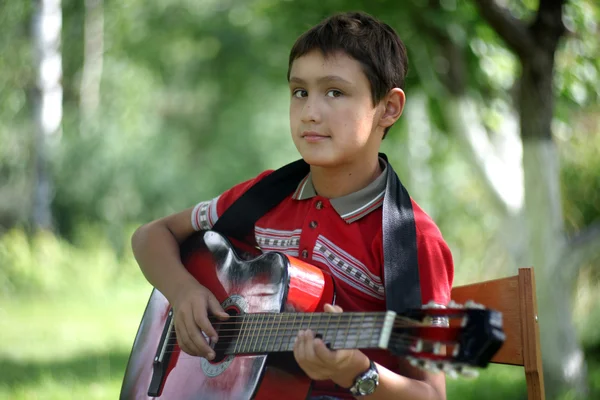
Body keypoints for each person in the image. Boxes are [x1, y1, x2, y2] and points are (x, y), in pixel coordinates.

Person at [131, 11, 454, 400]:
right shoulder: (265, 195)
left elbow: (431, 395)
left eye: (334, 92)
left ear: (388, 108)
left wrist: (356, 371)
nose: (310, 112)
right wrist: (183, 293)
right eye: (300, 91)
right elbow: (151, 235)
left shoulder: (411, 241)